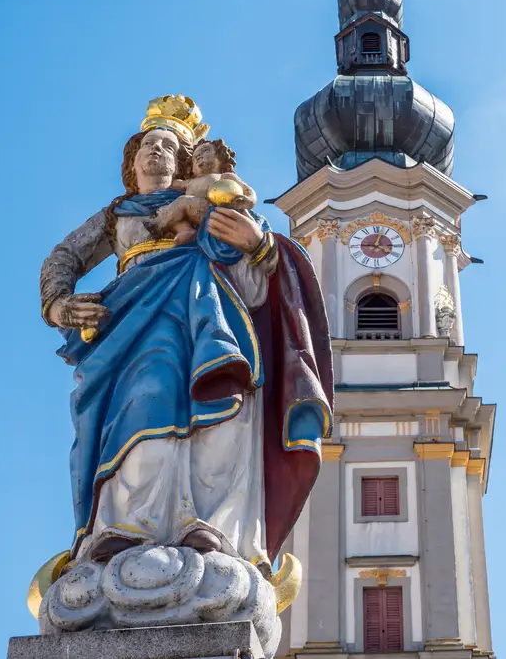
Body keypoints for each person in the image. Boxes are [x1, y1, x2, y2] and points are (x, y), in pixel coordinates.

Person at [40, 99, 332, 574]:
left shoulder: (208, 202)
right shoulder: (119, 213)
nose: (156, 151)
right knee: (145, 396)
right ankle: (127, 524)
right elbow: (64, 256)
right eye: (147, 146)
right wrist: (57, 303)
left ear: (182, 163)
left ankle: (208, 521)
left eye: (168, 147)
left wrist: (258, 246)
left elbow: (256, 260)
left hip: (207, 309)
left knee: (223, 398)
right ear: (132, 162)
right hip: (134, 319)